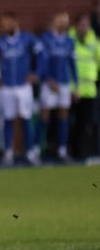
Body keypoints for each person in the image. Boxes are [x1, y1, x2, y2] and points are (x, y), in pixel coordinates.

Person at [0, 12, 44, 165]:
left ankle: (30, 151)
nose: (5, 26)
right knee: (8, 119)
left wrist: (36, 74)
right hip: (7, 86)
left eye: (8, 22)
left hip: (23, 86)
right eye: (3, 23)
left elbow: (41, 55)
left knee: (26, 119)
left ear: (15, 22)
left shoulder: (27, 39)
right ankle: (8, 152)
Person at [37, 12, 78, 161]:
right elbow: (42, 63)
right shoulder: (46, 39)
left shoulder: (70, 41)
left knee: (63, 116)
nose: (64, 23)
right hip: (49, 84)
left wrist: (76, 85)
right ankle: (36, 149)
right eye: (61, 20)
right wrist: (48, 79)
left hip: (64, 83)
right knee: (44, 116)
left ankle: (61, 149)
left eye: (66, 21)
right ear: (54, 21)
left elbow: (72, 65)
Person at [69, 13, 99, 160]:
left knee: (85, 123)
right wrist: (73, 87)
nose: (85, 28)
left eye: (87, 25)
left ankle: (81, 152)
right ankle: (68, 150)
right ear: (76, 25)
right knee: (69, 121)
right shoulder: (70, 40)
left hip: (89, 89)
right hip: (72, 88)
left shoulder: (94, 41)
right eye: (82, 25)